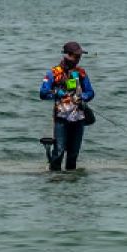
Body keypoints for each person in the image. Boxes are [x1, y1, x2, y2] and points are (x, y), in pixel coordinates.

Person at [39, 41, 95, 171]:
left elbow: (90, 92)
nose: (79, 59)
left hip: (79, 118)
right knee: (58, 152)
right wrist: (57, 93)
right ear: (67, 55)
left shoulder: (81, 73)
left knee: (73, 155)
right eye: (76, 56)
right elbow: (42, 93)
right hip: (61, 118)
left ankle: (71, 184)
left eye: (80, 56)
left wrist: (83, 97)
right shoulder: (53, 73)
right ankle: (55, 181)